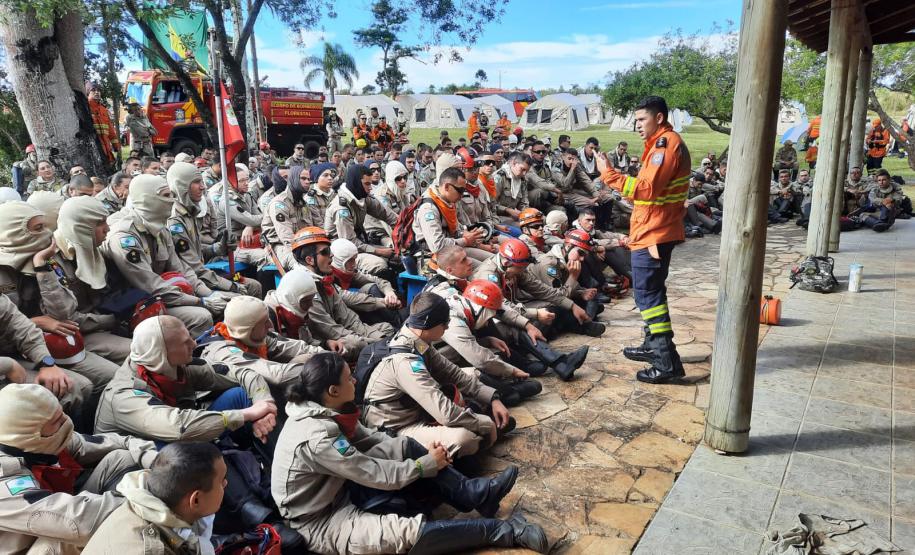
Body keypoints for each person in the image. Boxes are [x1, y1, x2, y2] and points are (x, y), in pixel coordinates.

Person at [272, 352, 547, 555]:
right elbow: (374, 473)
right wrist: (424, 464)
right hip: (321, 520)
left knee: (403, 444)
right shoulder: (318, 436)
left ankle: (474, 493)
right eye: (348, 378)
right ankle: (504, 531)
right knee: (407, 534)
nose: (355, 380)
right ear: (332, 391)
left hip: (338, 487)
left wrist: (418, 453)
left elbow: (370, 438)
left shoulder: (327, 410)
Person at [595, 95, 690, 384]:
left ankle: (665, 362)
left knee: (649, 296)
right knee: (650, 292)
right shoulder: (659, 144)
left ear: (658, 118)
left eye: (641, 119)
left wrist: (608, 174)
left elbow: (646, 189)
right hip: (654, 230)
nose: (636, 125)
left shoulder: (665, 145)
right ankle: (653, 347)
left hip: (655, 233)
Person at [0, 384, 158, 554]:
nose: (67, 422)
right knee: (70, 536)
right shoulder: (5, 478)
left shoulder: (47, 438)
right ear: (28, 434)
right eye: (57, 421)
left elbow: (118, 442)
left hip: (57, 514)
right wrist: (153, 500)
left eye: (62, 414)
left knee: (121, 458)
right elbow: (78, 521)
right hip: (31, 544)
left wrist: (161, 460)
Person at [361, 293, 512, 458]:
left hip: (416, 409)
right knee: (464, 439)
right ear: (429, 324)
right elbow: (445, 413)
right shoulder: (405, 362)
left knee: (470, 374)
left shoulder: (417, 340)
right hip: (397, 427)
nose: (447, 327)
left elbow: (454, 373)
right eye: (445, 323)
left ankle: (483, 415)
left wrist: (493, 398)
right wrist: (485, 424)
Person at [0, 201, 122, 402]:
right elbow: (11, 325)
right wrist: (35, 322)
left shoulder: (47, 259)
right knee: (76, 388)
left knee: (110, 376)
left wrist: (41, 267)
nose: (48, 234)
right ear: (13, 232)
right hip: (12, 354)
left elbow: (62, 314)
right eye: (38, 228)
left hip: (49, 343)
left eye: (47, 226)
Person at [94, 315, 277, 443]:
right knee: (184, 448)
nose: (194, 344)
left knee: (241, 394)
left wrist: (265, 403)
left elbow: (243, 373)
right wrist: (247, 414)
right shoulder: (124, 396)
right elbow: (179, 427)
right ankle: (244, 499)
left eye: (189, 336)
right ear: (162, 353)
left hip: (179, 440)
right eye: (184, 342)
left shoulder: (176, 366)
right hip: (142, 461)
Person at [101, 174, 225, 335]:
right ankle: (187, 357)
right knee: (201, 317)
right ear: (148, 199)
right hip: (134, 307)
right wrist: (199, 301)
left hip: (160, 296)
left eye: (172, 195)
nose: (172, 200)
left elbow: (181, 269)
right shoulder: (124, 238)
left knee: (225, 304)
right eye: (166, 196)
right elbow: (150, 284)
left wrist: (208, 293)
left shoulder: (160, 228)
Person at [82, 442, 224, 555]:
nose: (226, 483)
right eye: (221, 481)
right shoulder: (154, 549)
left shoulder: (135, 506)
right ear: (196, 500)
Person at [291, 226, 394, 356]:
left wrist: (377, 336)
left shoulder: (323, 280)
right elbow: (330, 330)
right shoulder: (304, 288)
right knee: (357, 344)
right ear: (309, 260)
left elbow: (348, 319)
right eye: (326, 252)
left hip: (342, 332)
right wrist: (376, 342)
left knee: (386, 329)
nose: (332, 256)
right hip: (322, 343)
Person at [167, 161, 261, 299]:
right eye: (196, 182)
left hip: (203, 275)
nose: (203, 187)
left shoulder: (189, 214)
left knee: (253, 286)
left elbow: (197, 251)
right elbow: (193, 267)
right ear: (181, 186)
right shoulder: (175, 221)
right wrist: (231, 286)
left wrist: (217, 248)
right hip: (191, 283)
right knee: (247, 291)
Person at [473, 238, 602, 338]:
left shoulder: (515, 267)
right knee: (549, 313)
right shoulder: (488, 276)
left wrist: (572, 305)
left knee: (558, 308)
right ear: (507, 263)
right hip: (497, 317)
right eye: (521, 268)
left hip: (514, 308)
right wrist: (573, 278)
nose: (523, 271)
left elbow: (544, 291)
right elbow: (503, 308)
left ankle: (577, 326)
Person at [200, 295, 326, 393]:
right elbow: (277, 375)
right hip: (231, 408)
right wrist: (327, 368)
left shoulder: (254, 336)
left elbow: (297, 348)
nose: (270, 326)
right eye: (264, 322)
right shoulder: (224, 353)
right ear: (247, 329)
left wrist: (329, 356)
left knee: (307, 358)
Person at [324, 164, 397, 277]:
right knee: (380, 264)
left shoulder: (361, 197)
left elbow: (386, 214)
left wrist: (403, 227)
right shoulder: (341, 208)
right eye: (367, 184)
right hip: (342, 254)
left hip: (358, 244)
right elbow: (349, 243)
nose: (370, 187)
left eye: (371, 183)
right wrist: (378, 251)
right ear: (356, 183)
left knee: (397, 256)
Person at [210, 164, 266, 267]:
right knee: (265, 256)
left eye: (247, 179)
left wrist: (250, 226)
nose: (246, 183)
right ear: (230, 182)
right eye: (241, 181)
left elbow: (259, 218)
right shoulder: (226, 201)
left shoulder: (247, 196)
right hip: (232, 247)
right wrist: (252, 223)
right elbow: (253, 219)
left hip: (248, 241)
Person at [87, 82, 121, 165]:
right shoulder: (85, 107)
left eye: (98, 90)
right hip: (94, 147)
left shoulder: (103, 109)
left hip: (106, 147)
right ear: (88, 93)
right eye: (93, 90)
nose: (97, 92)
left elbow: (110, 129)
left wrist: (116, 146)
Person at [493, 151, 532, 222]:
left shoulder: (522, 180)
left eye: (527, 171)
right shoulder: (499, 177)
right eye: (522, 169)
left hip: (514, 216)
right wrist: (507, 210)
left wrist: (527, 213)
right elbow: (491, 204)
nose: (524, 173)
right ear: (514, 163)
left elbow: (524, 203)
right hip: (497, 217)